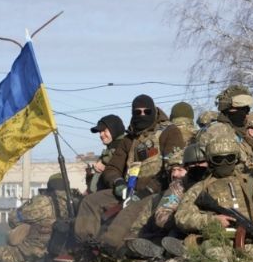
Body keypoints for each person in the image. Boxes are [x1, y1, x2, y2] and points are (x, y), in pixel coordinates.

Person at [74, 94, 185, 242]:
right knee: (90, 202)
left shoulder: (169, 132)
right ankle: (84, 245)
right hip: (129, 190)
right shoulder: (129, 139)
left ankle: (110, 249)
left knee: (127, 215)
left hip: (157, 191)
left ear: (154, 111)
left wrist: (146, 191)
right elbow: (112, 168)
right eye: (138, 112)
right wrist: (118, 183)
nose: (142, 115)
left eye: (147, 112)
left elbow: (173, 169)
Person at [175, 135, 253, 244]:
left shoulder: (251, 184)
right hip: (217, 244)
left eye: (229, 158)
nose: (224, 163)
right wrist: (212, 220)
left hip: (252, 242)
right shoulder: (199, 189)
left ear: (236, 159)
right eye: (218, 159)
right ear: (210, 160)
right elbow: (182, 217)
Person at [198, 85, 253, 172]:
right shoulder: (217, 131)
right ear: (226, 109)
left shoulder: (241, 132)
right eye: (237, 109)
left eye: (246, 109)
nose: (243, 113)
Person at [86, 114, 125, 193]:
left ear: (114, 129)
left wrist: (106, 166)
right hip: (99, 195)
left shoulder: (122, 146)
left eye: (104, 131)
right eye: (100, 132)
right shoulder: (111, 147)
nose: (101, 135)